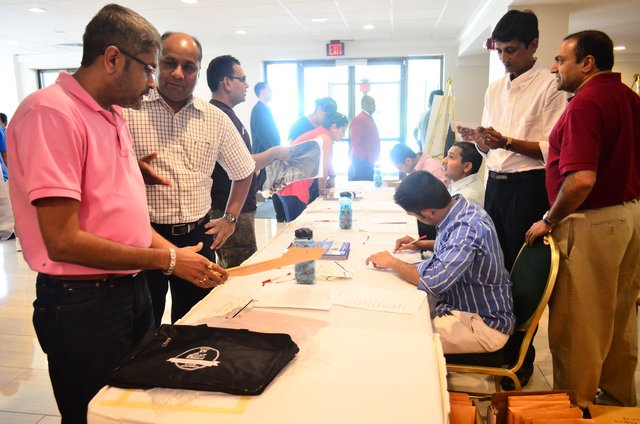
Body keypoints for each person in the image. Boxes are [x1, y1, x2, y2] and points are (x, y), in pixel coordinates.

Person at [6, 5, 228, 422]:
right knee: (93, 413)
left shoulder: (110, 114)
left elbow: (125, 221)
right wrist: (169, 260)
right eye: (148, 69)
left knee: (129, 408)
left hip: (128, 290)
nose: (152, 83)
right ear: (112, 58)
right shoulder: (51, 113)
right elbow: (63, 241)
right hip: (82, 301)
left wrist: (177, 258)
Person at [525, 30, 640, 408]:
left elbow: (581, 180)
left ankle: (576, 407)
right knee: (620, 316)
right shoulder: (629, 98)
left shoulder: (585, 104)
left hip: (591, 222)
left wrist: (549, 219)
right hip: (628, 216)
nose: (554, 68)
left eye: (561, 60)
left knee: (580, 324)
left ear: (587, 63)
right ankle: (619, 400)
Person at [457, 9, 566, 389]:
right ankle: (496, 344)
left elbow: (553, 148)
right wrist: (482, 141)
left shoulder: (551, 87)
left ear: (533, 45)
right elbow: (492, 149)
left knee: (521, 274)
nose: (504, 58)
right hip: (497, 184)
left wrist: (505, 141)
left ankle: (521, 357)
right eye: (500, 51)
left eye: (512, 50)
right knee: (494, 267)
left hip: (530, 185)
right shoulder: (494, 88)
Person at [124, 32, 255, 325]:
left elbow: (244, 170)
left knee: (196, 323)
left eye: (189, 67)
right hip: (144, 239)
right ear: (156, 63)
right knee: (142, 326)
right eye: (170, 63)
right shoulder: (128, 111)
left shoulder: (214, 118)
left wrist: (230, 218)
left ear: (198, 71)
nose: (178, 73)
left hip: (197, 237)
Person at [366, 171, 514, 354]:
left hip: (483, 324)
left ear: (427, 213)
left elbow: (433, 281)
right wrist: (422, 244)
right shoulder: (460, 208)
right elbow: (455, 246)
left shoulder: (467, 229)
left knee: (398, 339)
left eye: (415, 216)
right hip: (460, 305)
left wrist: (392, 262)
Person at [207, 55, 290, 267]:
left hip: (236, 207)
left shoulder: (227, 115)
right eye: (242, 79)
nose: (246, 85)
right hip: (228, 207)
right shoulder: (219, 116)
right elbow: (244, 164)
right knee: (239, 270)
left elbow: (241, 162)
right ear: (227, 82)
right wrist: (275, 152)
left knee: (237, 267)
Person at [270, 97, 338, 222]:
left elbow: (328, 156)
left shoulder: (323, 129)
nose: (327, 119)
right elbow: (290, 152)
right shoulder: (301, 125)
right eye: (326, 114)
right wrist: (322, 187)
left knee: (308, 220)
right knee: (299, 223)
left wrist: (331, 176)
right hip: (295, 180)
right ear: (319, 109)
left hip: (309, 179)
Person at [277, 112, 348, 221]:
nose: (344, 135)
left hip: (286, 183)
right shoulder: (325, 138)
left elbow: (328, 160)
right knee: (299, 226)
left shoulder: (320, 133)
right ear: (334, 127)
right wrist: (322, 190)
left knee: (296, 225)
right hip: (294, 186)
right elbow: (323, 169)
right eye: (343, 130)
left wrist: (332, 176)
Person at [442, 141, 484, 207]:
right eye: (447, 155)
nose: (443, 161)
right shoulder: (459, 184)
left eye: (451, 157)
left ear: (467, 166)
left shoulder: (466, 198)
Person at [414, 89, 455, 155]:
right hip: (439, 154)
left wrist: (418, 142)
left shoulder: (422, 116)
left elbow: (414, 131)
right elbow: (449, 137)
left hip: (426, 153)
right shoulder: (441, 116)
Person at [348, 95, 380, 181]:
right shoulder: (360, 119)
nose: (375, 107)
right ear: (365, 104)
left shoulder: (368, 117)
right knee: (363, 183)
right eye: (373, 104)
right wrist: (364, 158)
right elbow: (356, 142)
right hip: (363, 160)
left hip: (369, 159)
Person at [250, 82, 280, 155]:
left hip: (272, 153)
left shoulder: (267, 109)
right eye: (269, 90)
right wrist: (275, 153)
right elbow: (264, 137)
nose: (271, 92)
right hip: (264, 155)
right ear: (262, 92)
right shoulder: (258, 110)